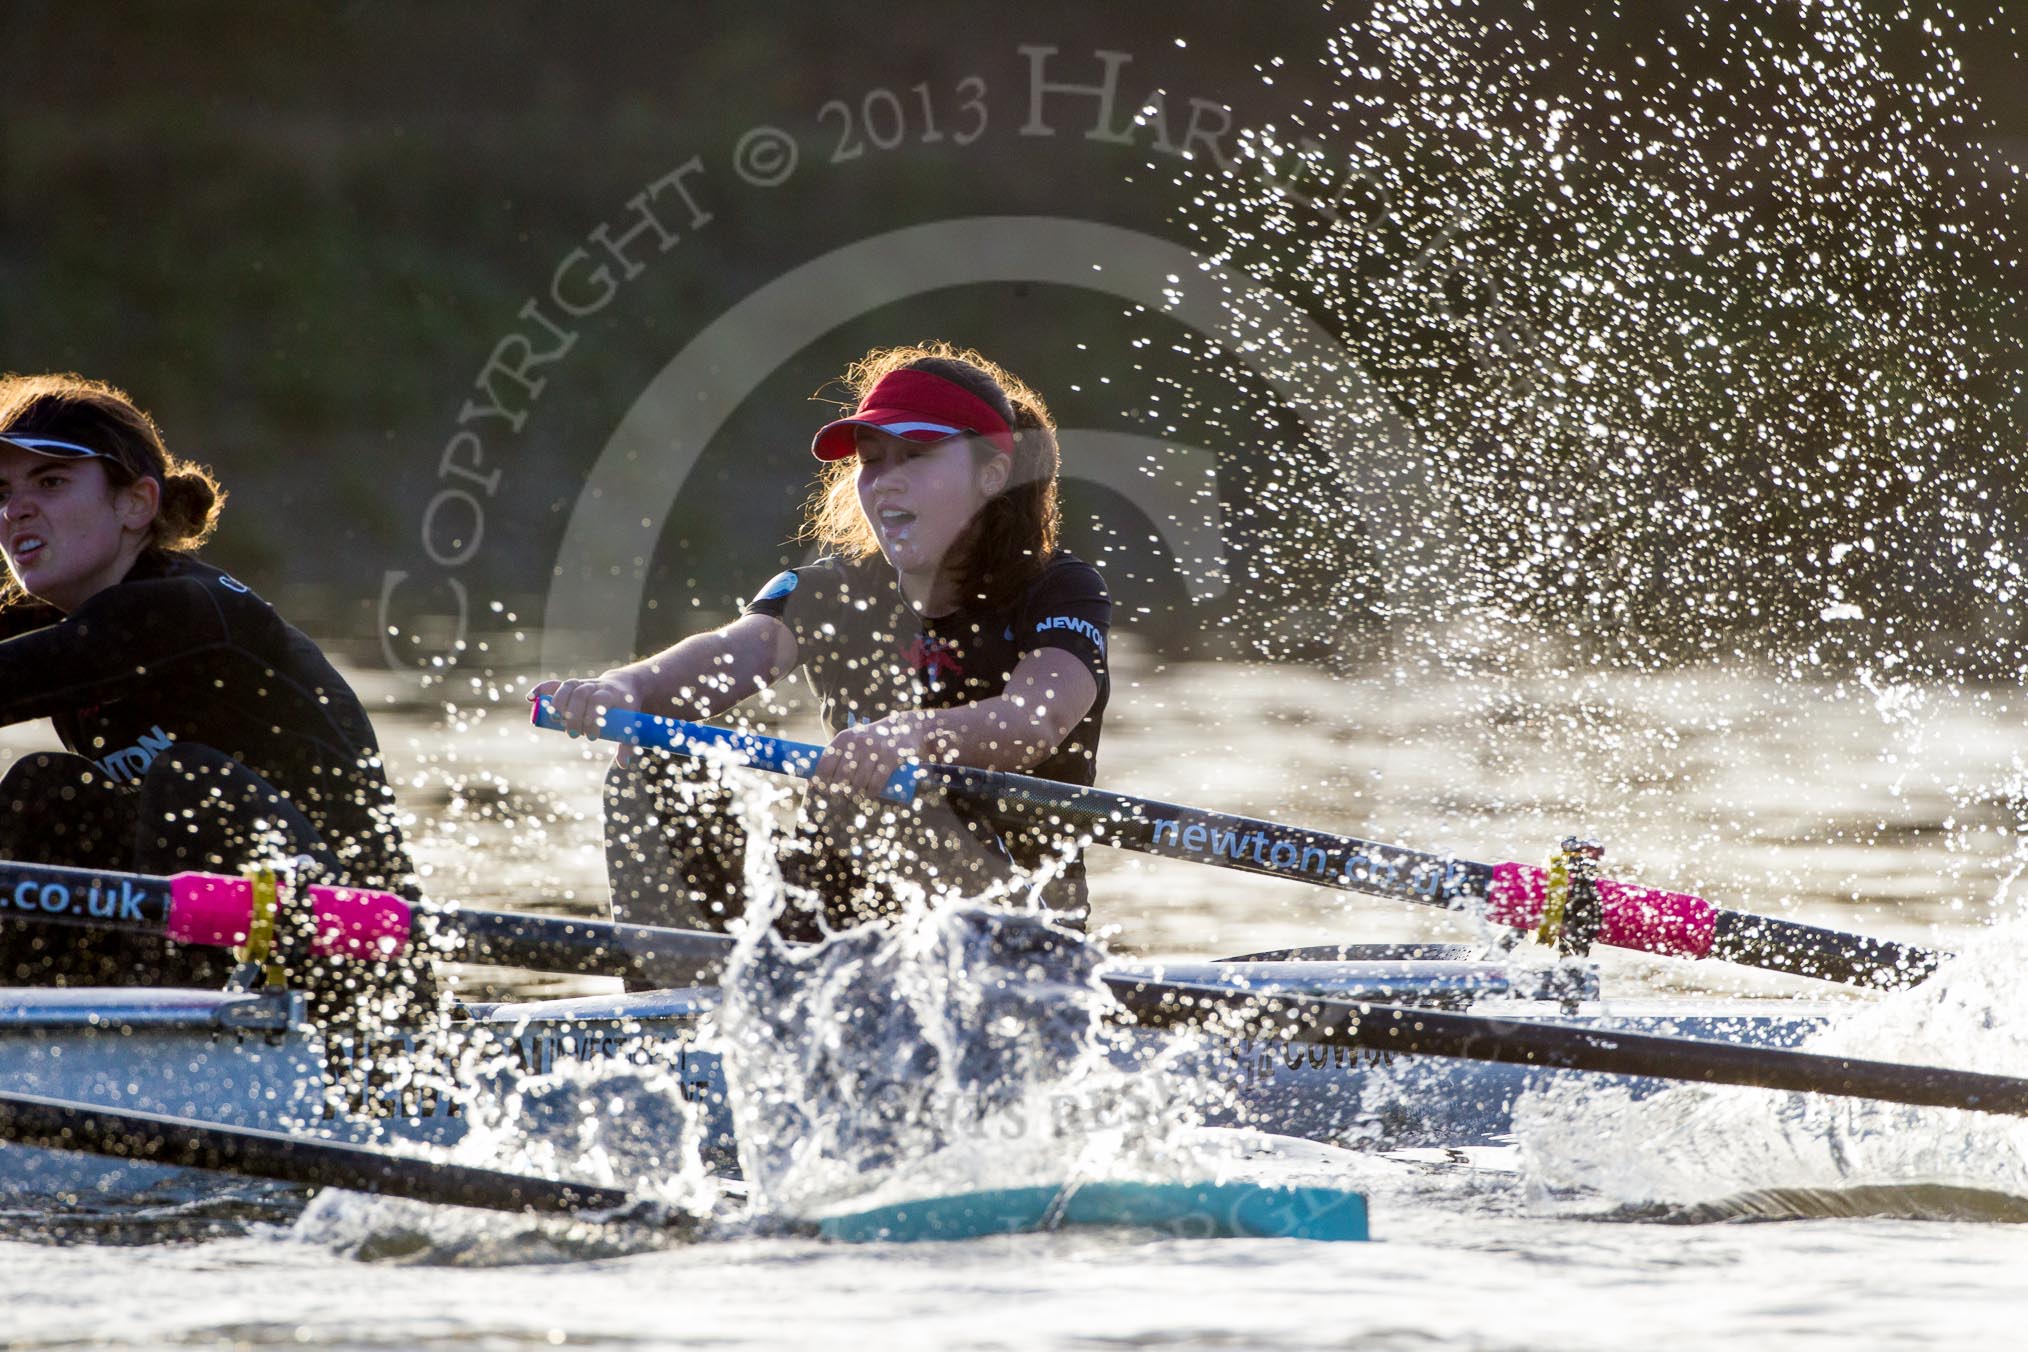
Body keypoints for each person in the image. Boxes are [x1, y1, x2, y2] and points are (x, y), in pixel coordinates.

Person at [537, 344, 1111, 941]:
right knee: (653, 764)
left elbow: (1033, 723)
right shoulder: (829, 592)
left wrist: (906, 736)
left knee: (894, 790)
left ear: (991, 475)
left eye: (915, 455)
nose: (886, 481)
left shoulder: (1060, 591)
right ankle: (673, 994)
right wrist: (626, 687)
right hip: (837, 907)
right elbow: (737, 651)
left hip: (1011, 918)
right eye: (873, 459)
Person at [0, 372, 417, 988]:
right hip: (214, 941)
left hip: (352, 967)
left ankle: (169, 1025)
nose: (15, 509)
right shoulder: (73, 624)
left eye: (52, 482)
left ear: (136, 503)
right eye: (2, 491)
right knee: (46, 788)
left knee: (187, 780)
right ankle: (41, 1019)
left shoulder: (182, 610)